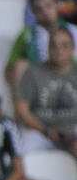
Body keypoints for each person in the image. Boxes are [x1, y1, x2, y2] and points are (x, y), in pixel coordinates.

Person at [14, 25, 77, 154]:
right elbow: (21, 110)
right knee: (23, 151)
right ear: (47, 48)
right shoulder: (33, 73)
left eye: (64, 46)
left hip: (74, 129)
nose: (59, 50)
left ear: (73, 49)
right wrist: (46, 131)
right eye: (54, 46)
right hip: (40, 130)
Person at [8, 0, 77, 87]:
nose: (45, 12)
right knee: (20, 66)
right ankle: (24, 101)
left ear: (57, 5)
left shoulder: (74, 31)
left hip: (70, 79)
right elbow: (10, 68)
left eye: (48, 6)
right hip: (39, 82)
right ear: (33, 12)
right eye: (39, 9)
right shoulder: (26, 35)